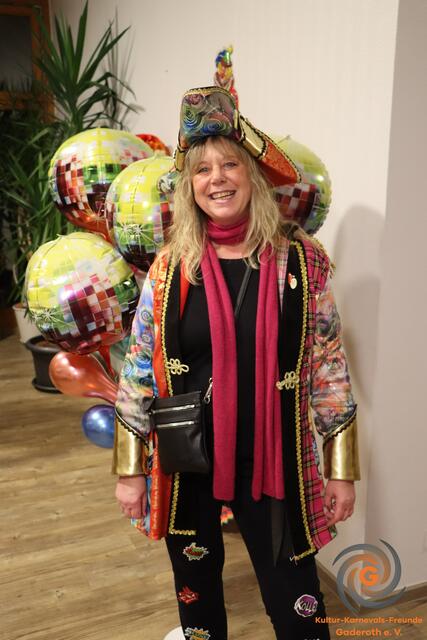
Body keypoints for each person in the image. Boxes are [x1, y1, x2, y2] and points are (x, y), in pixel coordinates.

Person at [113, 86, 360, 640]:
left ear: (252, 174)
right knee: (196, 598)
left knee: (298, 608)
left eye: (229, 164)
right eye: (202, 170)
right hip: (189, 459)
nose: (217, 179)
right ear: (189, 185)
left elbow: (329, 368)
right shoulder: (170, 268)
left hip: (275, 459)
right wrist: (129, 470)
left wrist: (341, 469)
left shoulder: (300, 263)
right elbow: (137, 372)